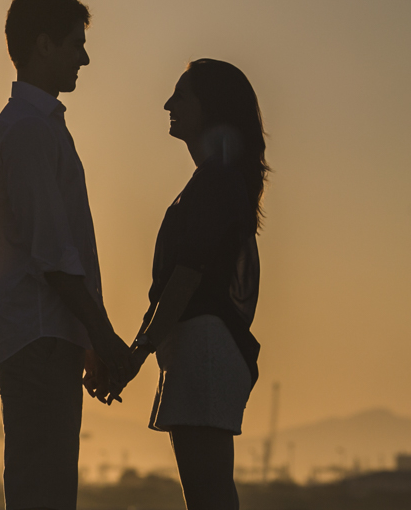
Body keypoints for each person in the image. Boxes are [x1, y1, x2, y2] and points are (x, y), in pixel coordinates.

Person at [0, 0, 136, 510]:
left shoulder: (38, 127)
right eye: (76, 43)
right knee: (44, 491)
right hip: (38, 333)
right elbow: (54, 256)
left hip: (45, 332)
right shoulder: (28, 131)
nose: (84, 58)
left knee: (47, 487)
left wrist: (84, 339)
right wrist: (104, 338)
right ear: (44, 44)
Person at [126, 59, 268, 510]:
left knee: (209, 497)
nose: (168, 104)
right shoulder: (214, 181)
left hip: (203, 349)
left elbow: (186, 276)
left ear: (211, 107)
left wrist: (139, 349)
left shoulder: (216, 182)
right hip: (197, 350)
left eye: (181, 96)